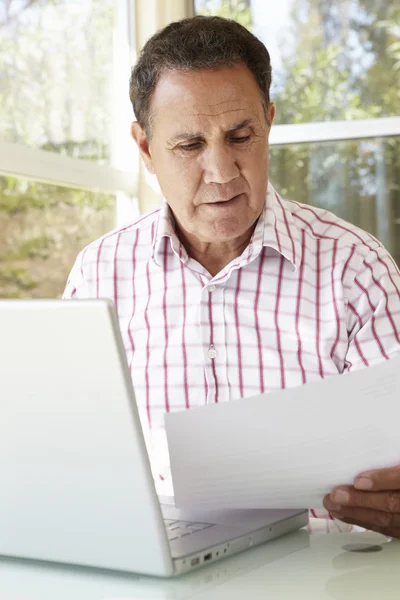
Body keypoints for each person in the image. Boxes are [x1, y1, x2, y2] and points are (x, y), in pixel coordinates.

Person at [63, 16, 400, 537]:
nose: (221, 171)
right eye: (189, 146)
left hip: (324, 574)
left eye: (240, 136)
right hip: (154, 568)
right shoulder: (98, 276)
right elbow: (63, 449)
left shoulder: (356, 269)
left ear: (268, 122)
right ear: (146, 148)